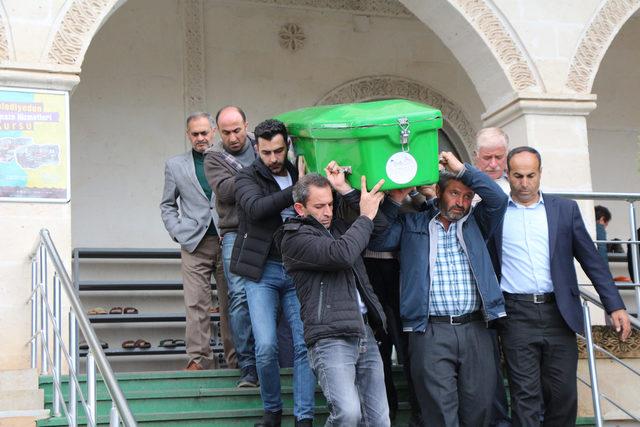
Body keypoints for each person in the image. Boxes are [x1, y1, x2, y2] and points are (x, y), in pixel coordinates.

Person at [489, 146, 632, 427]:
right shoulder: (495, 212)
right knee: (525, 396)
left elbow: (592, 260)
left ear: (540, 173)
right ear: (507, 175)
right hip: (516, 313)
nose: (525, 183)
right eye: (518, 175)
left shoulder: (565, 210)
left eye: (531, 175)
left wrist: (614, 304)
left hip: (560, 313)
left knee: (563, 394)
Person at [370, 152, 508, 427]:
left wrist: (461, 170)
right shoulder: (413, 225)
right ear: (439, 193)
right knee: (439, 415)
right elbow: (380, 238)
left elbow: (498, 199)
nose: (461, 202)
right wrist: (396, 200)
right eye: (455, 193)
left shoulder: (476, 223)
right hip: (430, 331)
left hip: (476, 329)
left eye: (468, 197)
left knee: (479, 411)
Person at [279, 168, 390, 426]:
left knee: (380, 421)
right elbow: (341, 254)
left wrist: (345, 190)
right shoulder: (293, 237)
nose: (328, 212)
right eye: (319, 206)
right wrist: (364, 216)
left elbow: (380, 227)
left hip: (364, 332)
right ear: (299, 208)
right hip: (329, 338)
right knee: (348, 414)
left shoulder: (340, 228)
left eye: (330, 204)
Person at [232, 119, 315, 427]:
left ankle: (304, 417)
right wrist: (297, 190)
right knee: (266, 346)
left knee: (304, 343)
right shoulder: (246, 177)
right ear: (257, 149)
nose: (273, 158)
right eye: (266, 152)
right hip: (262, 271)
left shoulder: (299, 171)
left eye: (279, 151)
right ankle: (273, 412)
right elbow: (256, 208)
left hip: (297, 269)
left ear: (287, 146)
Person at [160, 112, 235, 370]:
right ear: (188, 135)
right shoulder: (175, 165)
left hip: (228, 239)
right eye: (195, 134)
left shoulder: (228, 159)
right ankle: (198, 359)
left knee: (232, 302)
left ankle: (236, 359)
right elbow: (167, 204)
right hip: (195, 243)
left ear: (213, 132)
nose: (201, 138)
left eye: (205, 133)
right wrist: (177, 231)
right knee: (195, 302)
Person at [204, 106, 258, 386]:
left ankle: (271, 360)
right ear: (218, 132)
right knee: (237, 297)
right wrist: (259, 174)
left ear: (246, 125)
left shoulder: (262, 145)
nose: (233, 137)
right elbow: (224, 191)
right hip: (234, 231)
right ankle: (246, 365)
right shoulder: (213, 157)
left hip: (266, 230)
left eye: (237, 130)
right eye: (226, 132)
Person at [474, 127, 512, 427]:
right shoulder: (467, 191)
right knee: (487, 367)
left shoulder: (522, 190)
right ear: (476, 158)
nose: (493, 163)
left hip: (516, 290)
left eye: (499, 157)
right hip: (481, 293)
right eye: (487, 157)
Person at [474, 127, 510, 193]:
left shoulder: (518, 184)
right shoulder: (466, 184)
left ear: (507, 156)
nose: (493, 165)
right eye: (487, 158)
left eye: (498, 157)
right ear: (476, 156)